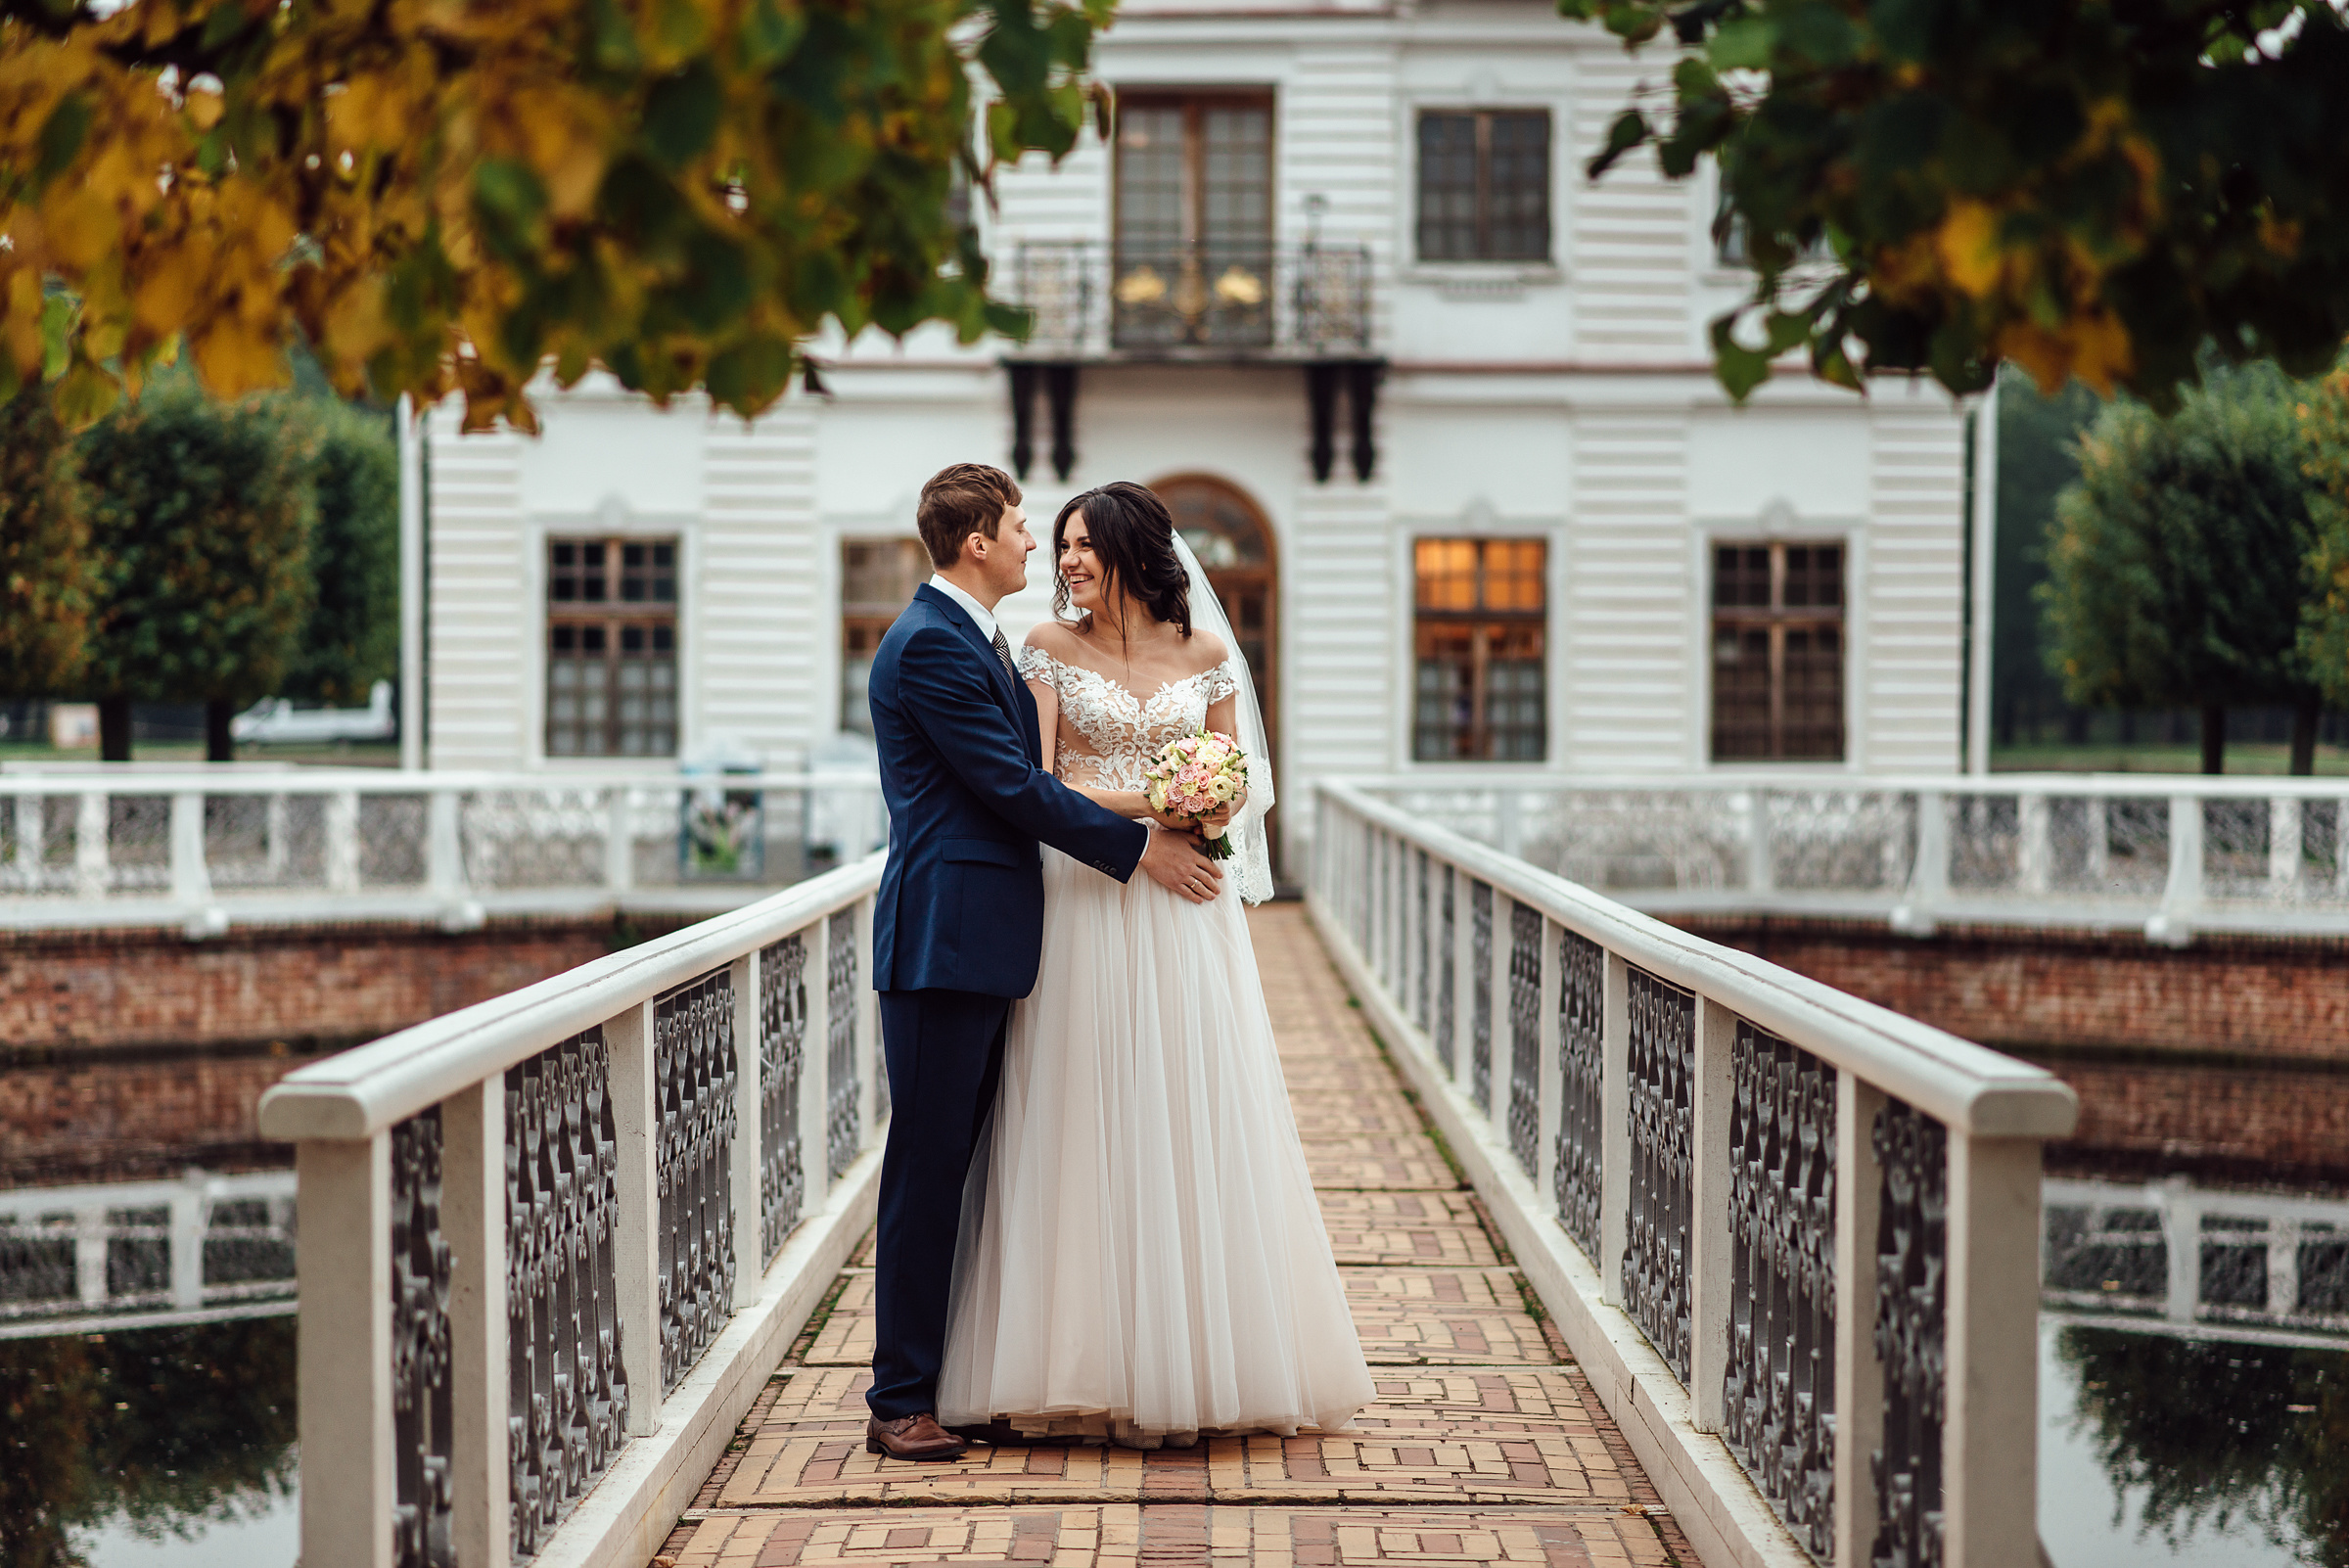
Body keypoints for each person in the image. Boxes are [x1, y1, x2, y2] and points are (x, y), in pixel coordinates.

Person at [935, 480, 1373, 1448]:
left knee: (1188, 1105)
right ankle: (1076, 1358)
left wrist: (1207, 809)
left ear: (1135, 550)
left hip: (1187, 912)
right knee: (1080, 1106)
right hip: (1086, 897)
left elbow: (1238, 786)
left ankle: (1199, 1353)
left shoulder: (1209, 656)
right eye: (1058, 544)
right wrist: (1153, 813)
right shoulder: (1045, 649)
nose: (1068, 561)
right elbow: (1038, 783)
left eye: (1085, 543)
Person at [863, 464, 1227, 1462]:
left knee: (961, 1167)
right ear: (976, 540)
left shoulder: (965, 635)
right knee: (929, 1172)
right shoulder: (931, 648)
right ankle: (899, 1403)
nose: (1038, 545)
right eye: (1025, 528)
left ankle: (941, 1380)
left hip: (982, 938)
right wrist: (1142, 842)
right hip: (945, 942)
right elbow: (1014, 788)